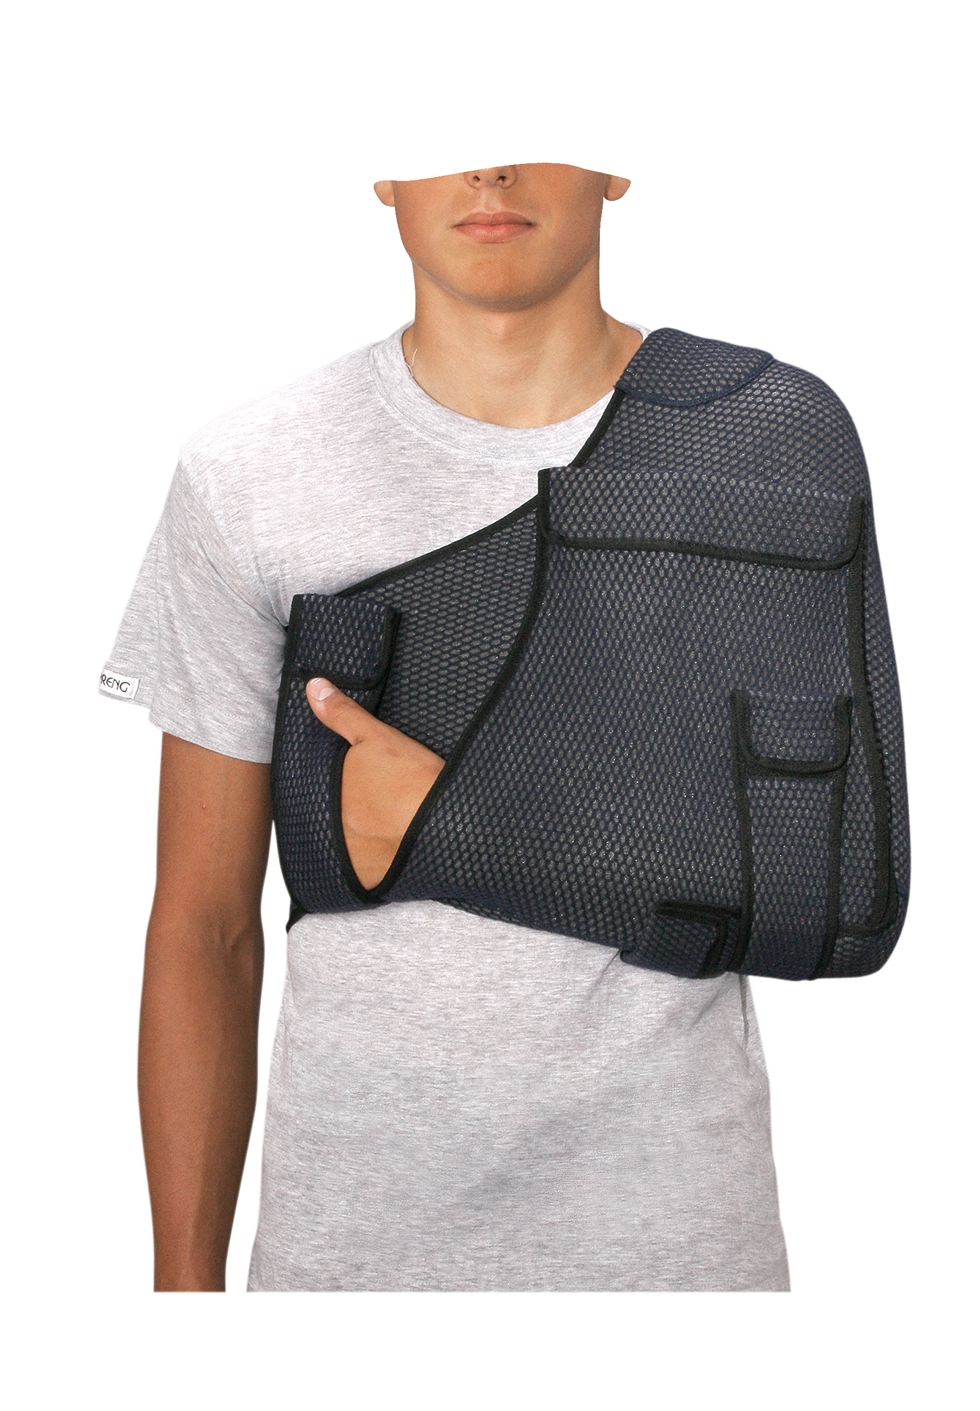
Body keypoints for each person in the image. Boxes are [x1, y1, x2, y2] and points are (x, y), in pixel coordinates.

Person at [103, 162, 790, 1291]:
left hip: (674, 1251)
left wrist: (455, 824)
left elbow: (820, 890)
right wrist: (183, 1306)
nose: (489, 167)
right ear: (382, 172)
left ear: (617, 159)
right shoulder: (251, 474)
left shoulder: (751, 444)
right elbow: (203, 928)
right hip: (348, 1256)